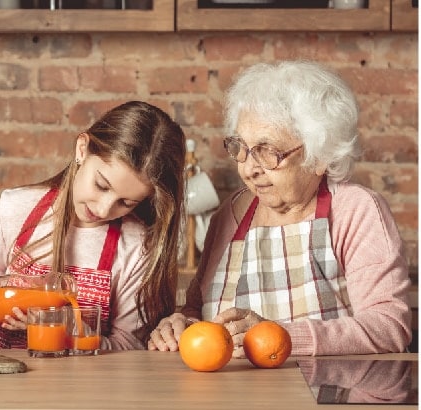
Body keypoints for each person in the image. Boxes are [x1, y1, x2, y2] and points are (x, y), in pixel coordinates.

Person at [148, 60, 412, 357]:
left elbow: (389, 327)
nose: (249, 169)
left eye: (268, 151)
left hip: (325, 394)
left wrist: (277, 337)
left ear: (320, 155)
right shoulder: (230, 214)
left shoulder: (356, 210)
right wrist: (182, 323)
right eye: (241, 149)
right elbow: (199, 308)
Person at [0, 100, 187, 350]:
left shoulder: (136, 246)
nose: (104, 209)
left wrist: (58, 332)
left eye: (126, 202)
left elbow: (127, 343)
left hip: (87, 384)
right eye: (101, 185)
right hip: (6, 376)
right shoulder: (17, 208)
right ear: (82, 149)